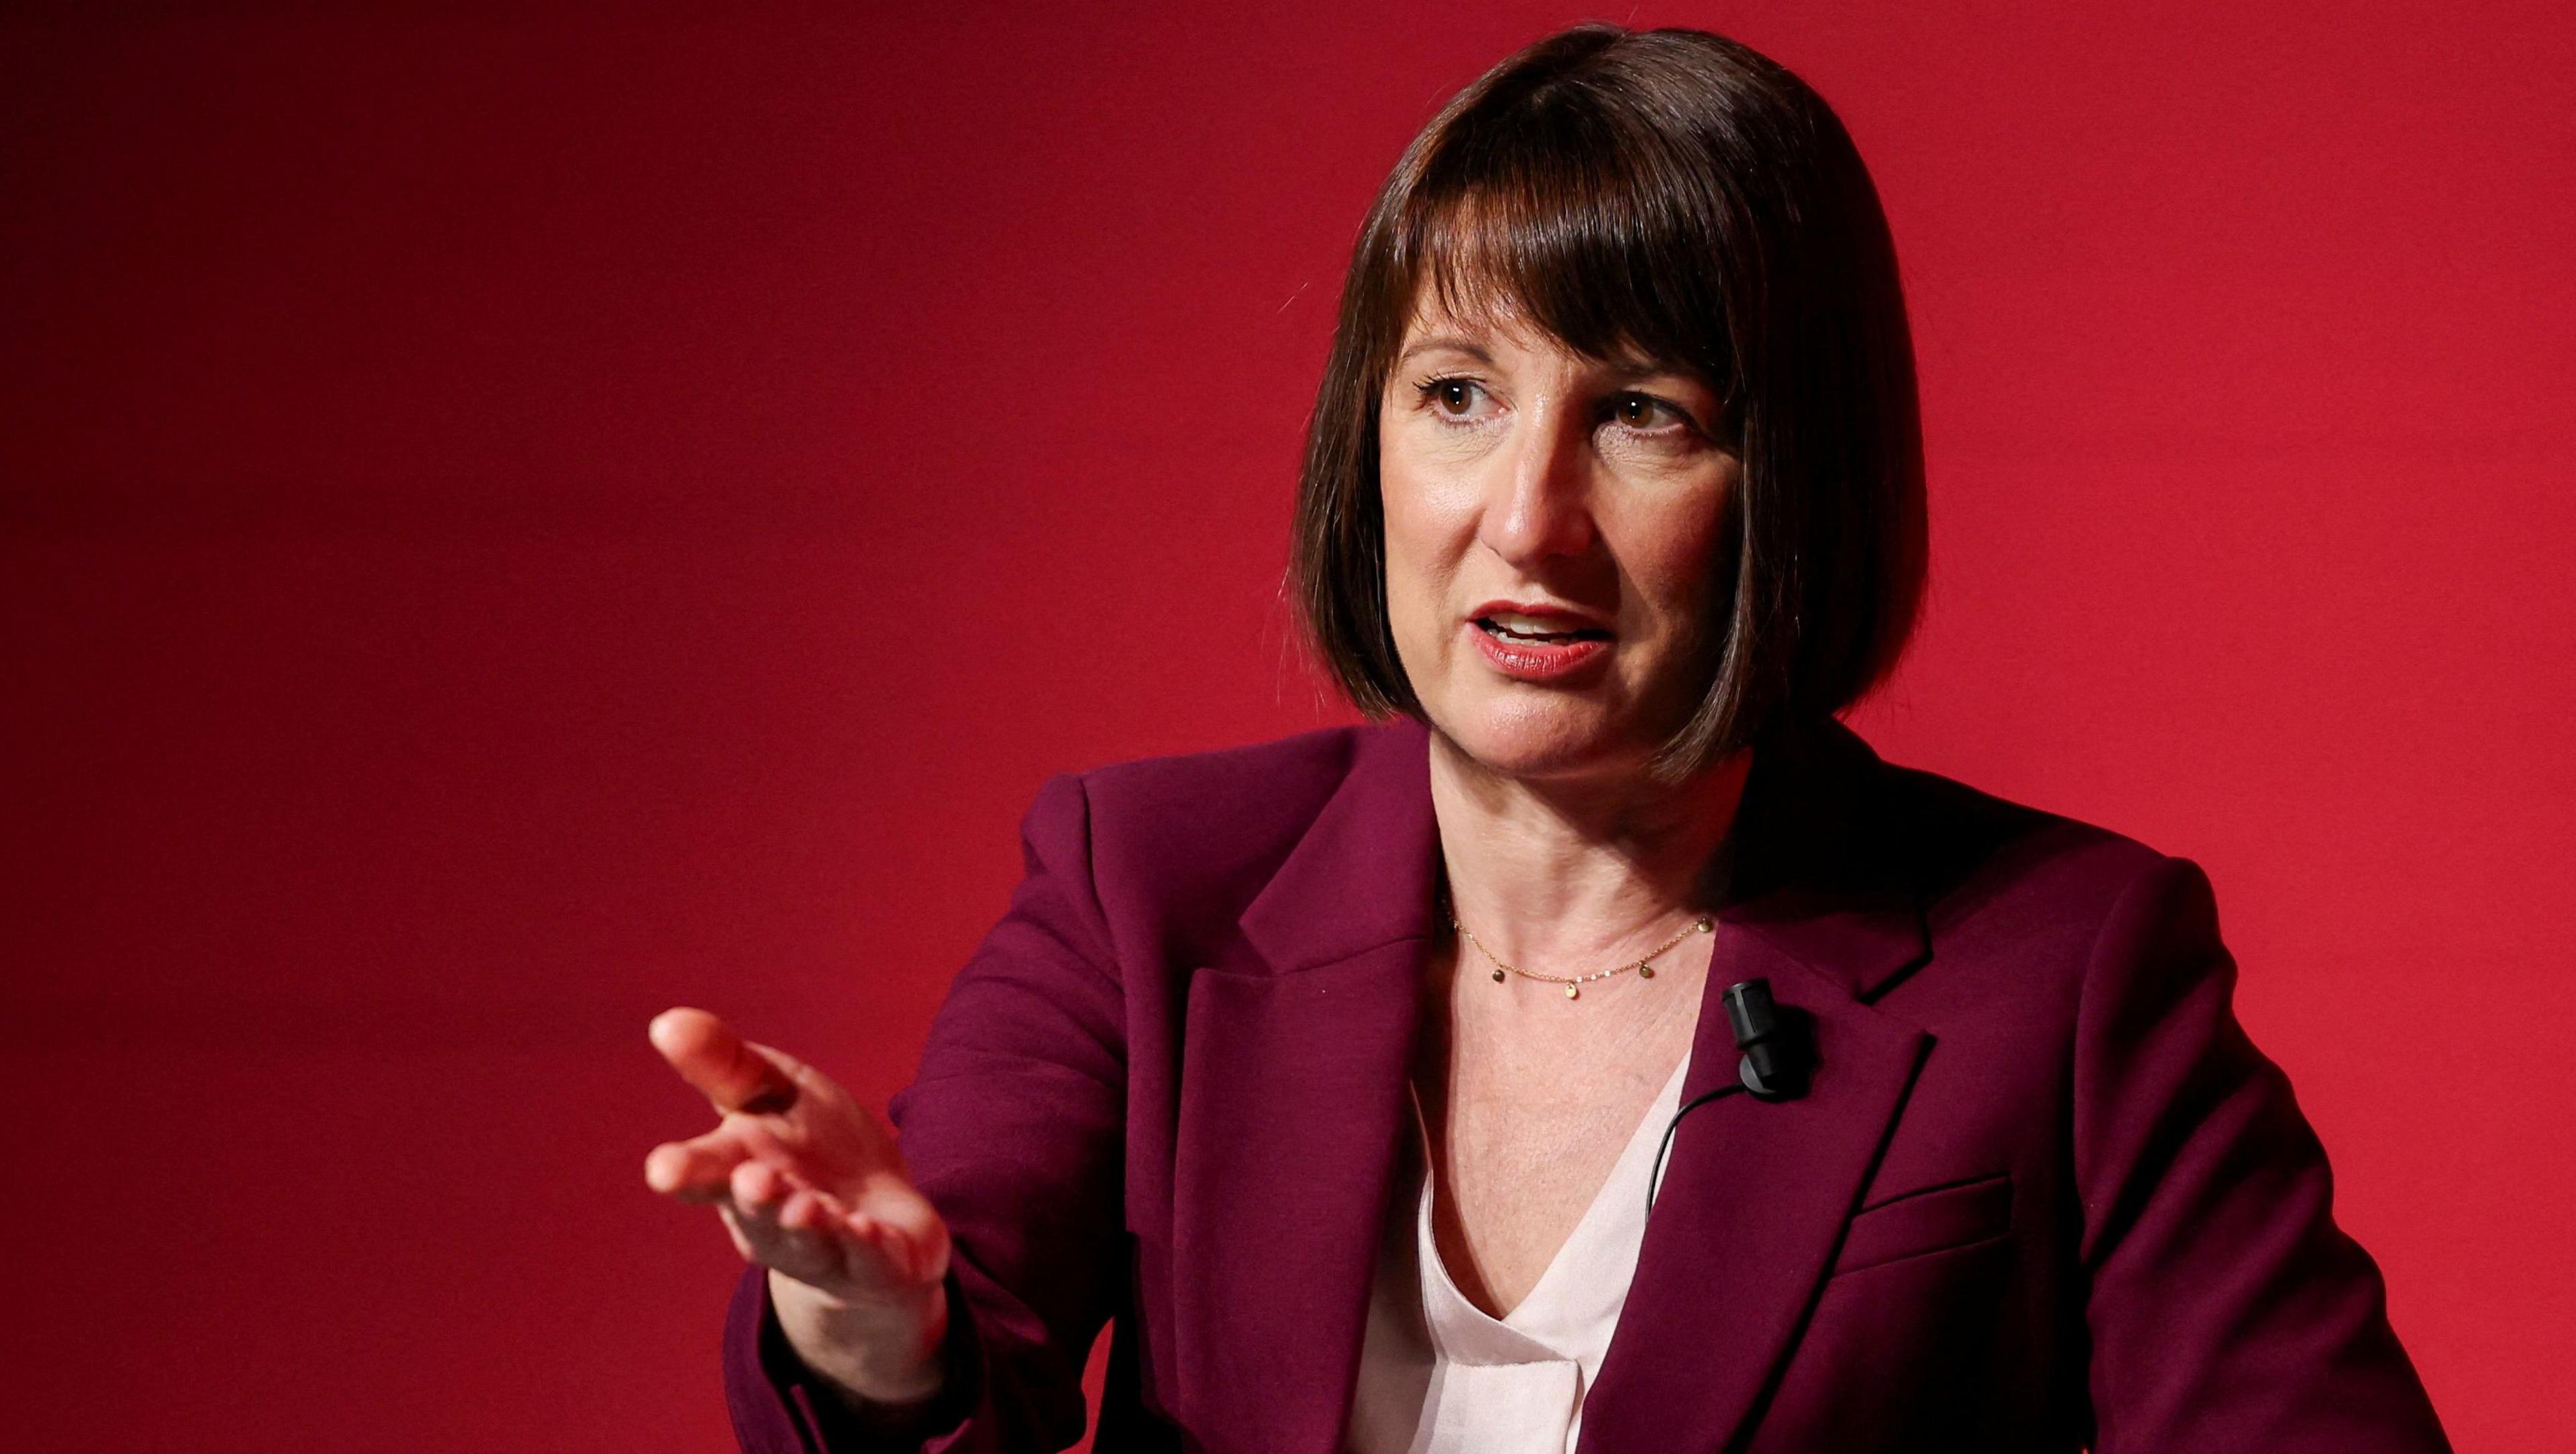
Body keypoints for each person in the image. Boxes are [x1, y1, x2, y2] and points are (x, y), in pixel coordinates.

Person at [642, 23, 2451, 1453]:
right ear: (1372, 441)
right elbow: (954, 1359)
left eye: (1644, 415)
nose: (1527, 518)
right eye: (1456, 395)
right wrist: (872, 1324)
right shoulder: (1145, 887)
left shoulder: (2062, 971)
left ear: (1793, 482)